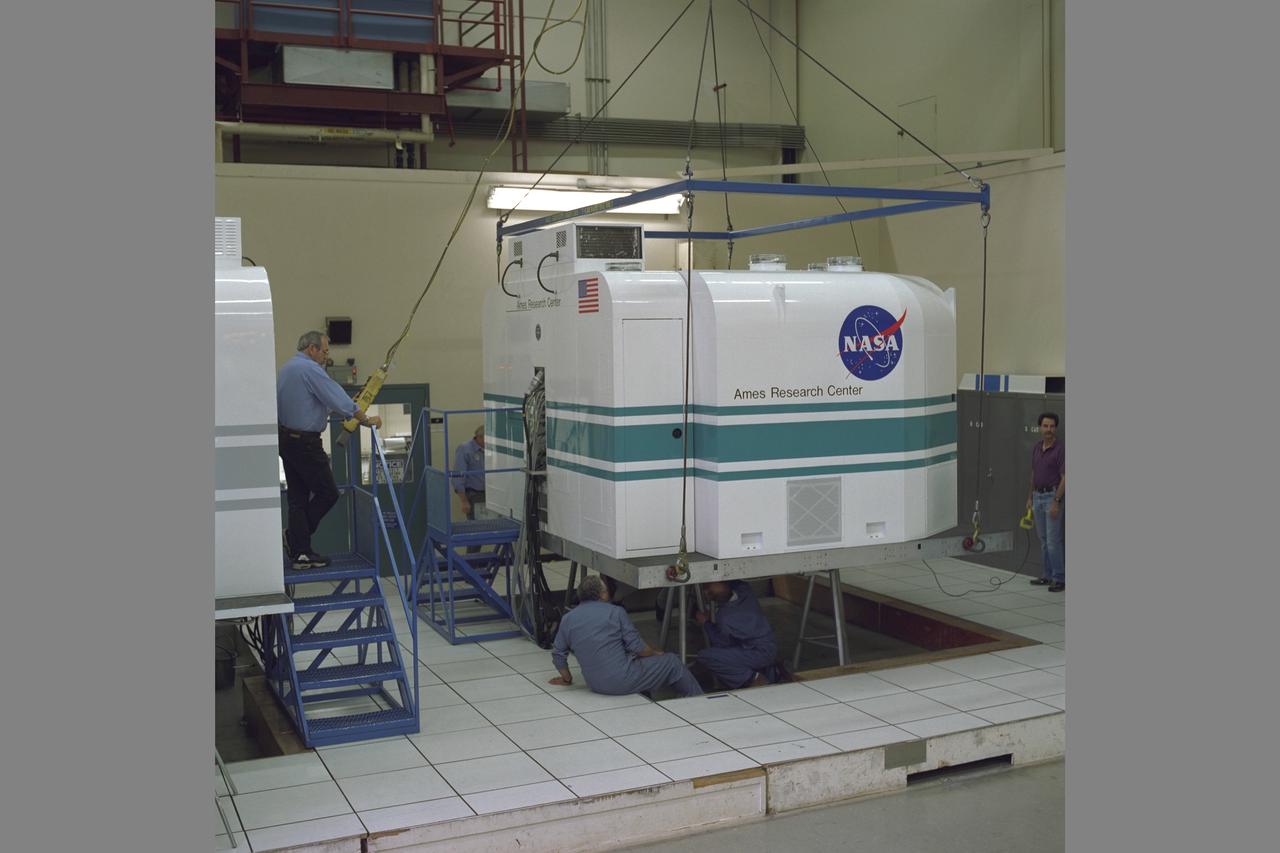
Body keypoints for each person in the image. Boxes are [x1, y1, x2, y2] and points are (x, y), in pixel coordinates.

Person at [277, 331, 381, 569]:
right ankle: (295, 538)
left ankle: (301, 554)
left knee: (298, 499)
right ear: (311, 349)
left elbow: (308, 403)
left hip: (287, 440)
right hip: (306, 444)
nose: (326, 356)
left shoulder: (286, 369)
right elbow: (337, 398)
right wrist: (364, 419)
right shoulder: (310, 369)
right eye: (324, 351)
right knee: (328, 493)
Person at [548, 575, 703, 698]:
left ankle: (646, 694)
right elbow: (639, 648)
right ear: (603, 594)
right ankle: (699, 700)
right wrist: (656, 653)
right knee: (672, 662)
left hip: (594, 684)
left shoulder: (568, 618)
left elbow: (558, 653)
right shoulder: (615, 612)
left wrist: (567, 678)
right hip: (621, 681)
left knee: (636, 662)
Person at [692, 580, 782, 689]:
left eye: (707, 589)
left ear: (711, 598)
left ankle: (753, 678)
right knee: (739, 642)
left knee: (706, 656)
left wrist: (706, 623)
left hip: (758, 653)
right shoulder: (745, 591)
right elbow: (736, 581)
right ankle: (770, 671)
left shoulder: (724, 618)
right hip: (769, 645)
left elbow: (721, 643)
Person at [1026, 411, 1065, 592]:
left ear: (1055, 428)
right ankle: (1047, 576)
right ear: (1040, 427)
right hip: (1038, 497)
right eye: (1045, 426)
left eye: (1052, 426)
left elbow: (1065, 478)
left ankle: (1059, 578)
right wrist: (1030, 497)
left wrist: (1056, 501)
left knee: (1053, 541)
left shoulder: (1060, 449)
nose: (1048, 429)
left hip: (1052, 497)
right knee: (1043, 541)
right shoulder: (1037, 448)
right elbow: (1033, 474)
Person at [452, 425, 486, 520]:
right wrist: (464, 501)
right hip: (474, 494)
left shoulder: (489, 449)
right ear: (480, 437)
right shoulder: (465, 449)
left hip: (490, 494)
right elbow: (458, 477)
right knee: (477, 524)